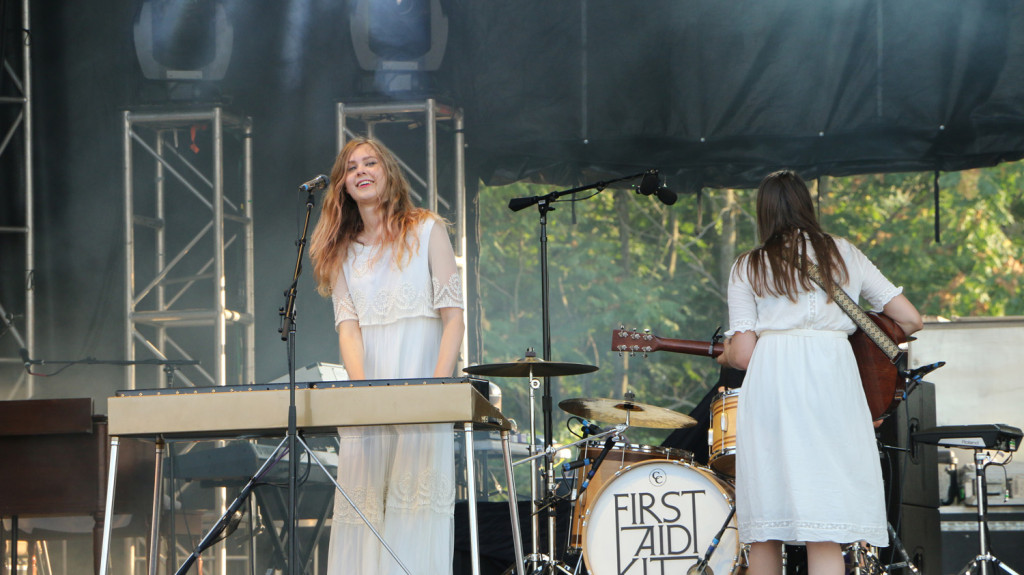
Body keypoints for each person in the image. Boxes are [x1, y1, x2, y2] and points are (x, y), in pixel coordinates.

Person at [715, 170, 923, 575]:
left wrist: (725, 354)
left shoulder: (750, 265)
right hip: (834, 383)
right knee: (825, 523)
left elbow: (742, 355)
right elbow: (910, 319)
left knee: (766, 524)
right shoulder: (844, 253)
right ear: (806, 206)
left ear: (764, 213)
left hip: (774, 386)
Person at [309, 137, 465, 575]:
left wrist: (435, 390)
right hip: (368, 394)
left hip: (423, 388)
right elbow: (349, 329)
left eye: (370, 162)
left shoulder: (428, 229)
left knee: (413, 505)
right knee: (365, 511)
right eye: (351, 167)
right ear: (341, 185)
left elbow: (453, 319)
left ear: (387, 171)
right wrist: (363, 395)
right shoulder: (342, 251)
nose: (361, 171)